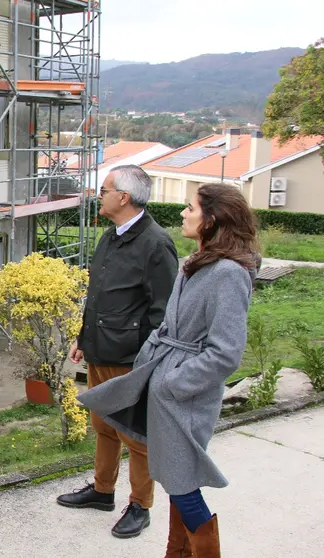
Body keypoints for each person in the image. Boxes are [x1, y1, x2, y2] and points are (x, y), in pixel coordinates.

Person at [78, 183, 261, 558]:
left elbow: (226, 353)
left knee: (183, 485)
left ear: (212, 219)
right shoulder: (199, 263)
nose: (183, 213)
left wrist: (173, 384)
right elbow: (168, 326)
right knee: (177, 481)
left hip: (186, 397)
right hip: (166, 382)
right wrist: (153, 363)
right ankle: (177, 553)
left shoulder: (228, 273)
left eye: (190, 208)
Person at [56, 165, 179, 539]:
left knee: (135, 436)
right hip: (99, 349)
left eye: (105, 189)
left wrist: (147, 363)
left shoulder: (156, 244)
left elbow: (163, 311)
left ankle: (140, 505)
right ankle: (103, 491)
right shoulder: (110, 237)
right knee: (103, 426)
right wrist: (82, 336)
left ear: (123, 197)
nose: (99, 194)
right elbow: (98, 295)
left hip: (130, 358)